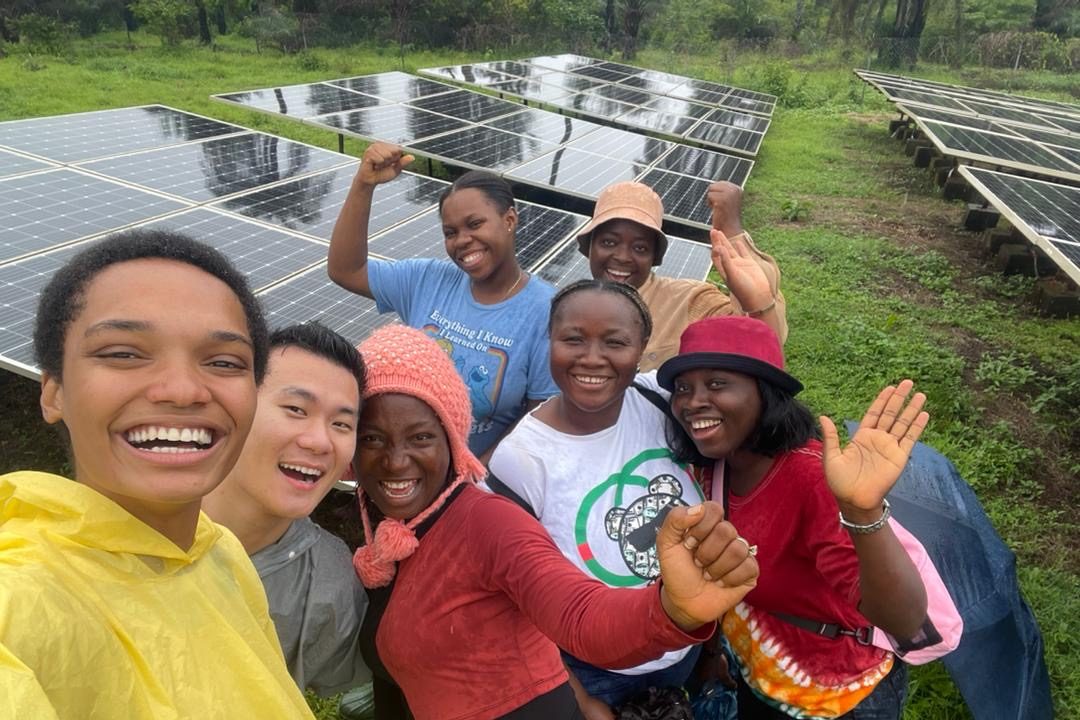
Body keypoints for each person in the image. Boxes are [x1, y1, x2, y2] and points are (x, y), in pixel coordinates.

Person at [350, 323, 760, 720]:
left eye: (421, 437)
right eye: (371, 438)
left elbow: (581, 616)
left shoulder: (488, 523)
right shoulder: (378, 520)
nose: (395, 460)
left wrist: (670, 612)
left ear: (452, 439)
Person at [0, 230, 314, 719]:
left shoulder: (218, 552)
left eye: (224, 362)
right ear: (54, 392)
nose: (183, 390)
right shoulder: (19, 604)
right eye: (123, 353)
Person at [657, 316, 931, 719]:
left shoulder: (809, 479)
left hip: (838, 695)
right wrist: (712, 653)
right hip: (762, 676)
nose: (692, 401)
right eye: (683, 388)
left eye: (716, 384)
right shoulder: (713, 468)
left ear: (765, 395)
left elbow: (905, 620)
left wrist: (862, 510)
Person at [487, 279, 707, 717]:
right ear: (548, 340)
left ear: (643, 346)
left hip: (688, 645)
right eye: (572, 339)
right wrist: (583, 702)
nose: (591, 358)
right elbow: (513, 604)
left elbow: (748, 394)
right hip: (596, 672)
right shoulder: (521, 461)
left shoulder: (659, 400)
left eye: (615, 342)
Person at [328, 142, 558, 460]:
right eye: (451, 232)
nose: (462, 240)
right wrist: (363, 185)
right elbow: (346, 269)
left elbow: (537, 419)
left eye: (475, 224)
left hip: (476, 484)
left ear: (509, 220)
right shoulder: (427, 281)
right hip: (398, 467)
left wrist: (471, 483)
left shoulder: (546, 311)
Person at [203, 322, 370, 697]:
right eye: (296, 408)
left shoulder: (328, 584)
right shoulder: (126, 522)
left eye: (342, 424)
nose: (319, 441)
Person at [578, 180, 788, 371]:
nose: (623, 257)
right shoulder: (569, 308)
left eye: (640, 248)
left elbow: (761, 340)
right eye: (608, 242)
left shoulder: (689, 300)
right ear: (590, 247)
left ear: (655, 256)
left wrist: (731, 231)